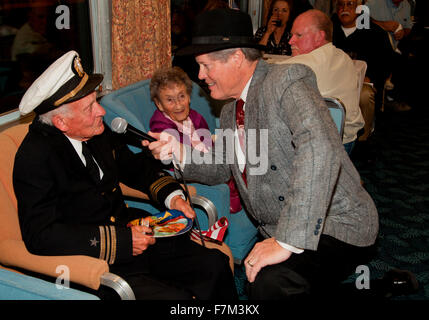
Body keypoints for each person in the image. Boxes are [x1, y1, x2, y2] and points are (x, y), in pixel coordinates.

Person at [144, 8, 381, 300]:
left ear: (236, 58)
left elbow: (320, 150)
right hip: (281, 227)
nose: (200, 76)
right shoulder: (231, 111)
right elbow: (220, 167)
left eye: (205, 66)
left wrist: (288, 240)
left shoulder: (286, 82)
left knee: (270, 283)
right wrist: (179, 153)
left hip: (335, 223)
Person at [13, 50, 236, 300]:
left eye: (96, 101)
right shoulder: (34, 158)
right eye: (90, 107)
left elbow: (132, 166)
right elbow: (41, 235)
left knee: (213, 266)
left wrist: (172, 195)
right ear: (61, 123)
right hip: (95, 257)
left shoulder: (94, 130)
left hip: (133, 231)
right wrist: (120, 241)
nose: (101, 111)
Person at [149, 66, 243, 213]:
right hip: (189, 174)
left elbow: (208, 146)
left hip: (209, 163)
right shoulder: (161, 126)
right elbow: (177, 160)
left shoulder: (195, 117)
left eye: (182, 96)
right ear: (159, 104)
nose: (179, 105)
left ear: (189, 96)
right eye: (170, 100)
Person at [279, 9, 365, 155]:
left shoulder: (301, 64)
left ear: (319, 37)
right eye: (291, 35)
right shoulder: (345, 58)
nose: (290, 41)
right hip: (347, 142)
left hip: (319, 148)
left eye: (298, 35)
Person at [332, 0, 393, 142]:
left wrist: (370, 77)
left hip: (364, 83)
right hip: (334, 83)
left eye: (350, 4)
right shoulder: (328, 30)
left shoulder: (375, 33)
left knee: (364, 95)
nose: (344, 9)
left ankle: (363, 138)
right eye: (341, 5)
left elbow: (386, 63)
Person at [365, 0, 414, 112]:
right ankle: (384, 100)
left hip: (396, 46)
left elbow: (408, 27)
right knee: (388, 59)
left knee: (407, 57)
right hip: (374, 48)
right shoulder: (374, 3)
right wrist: (382, 25)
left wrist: (402, 32)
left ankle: (391, 97)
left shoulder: (406, 5)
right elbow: (360, 19)